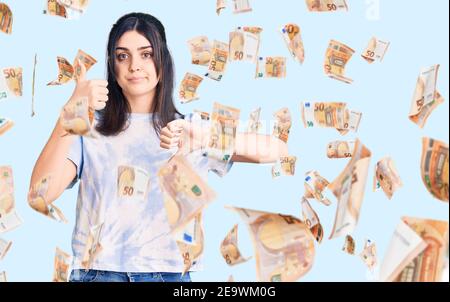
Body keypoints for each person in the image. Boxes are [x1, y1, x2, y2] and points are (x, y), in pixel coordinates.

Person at [28, 12, 288, 282]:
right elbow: (39, 194)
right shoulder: (88, 129)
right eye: (122, 56)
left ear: (162, 62)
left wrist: (205, 137)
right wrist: (72, 111)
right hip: (98, 274)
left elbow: (277, 150)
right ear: (112, 66)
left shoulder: (191, 129)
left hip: (169, 275)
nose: (134, 66)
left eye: (146, 54)